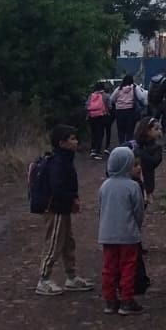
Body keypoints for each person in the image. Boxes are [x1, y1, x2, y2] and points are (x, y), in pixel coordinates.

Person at [35, 125, 94, 297]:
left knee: (68, 242)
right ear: (62, 143)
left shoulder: (65, 159)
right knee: (54, 243)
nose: (76, 141)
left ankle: (71, 276)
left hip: (64, 208)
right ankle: (43, 279)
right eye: (72, 139)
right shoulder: (57, 162)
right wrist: (72, 198)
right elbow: (58, 188)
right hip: (56, 209)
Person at [98, 146, 145, 315]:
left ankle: (110, 300)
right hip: (128, 234)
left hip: (107, 234)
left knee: (109, 267)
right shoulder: (132, 186)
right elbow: (138, 211)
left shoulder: (104, 186)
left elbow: (101, 209)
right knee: (128, 267)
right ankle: (127, 300)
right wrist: (137, 227)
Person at [131, 117, 163, 199]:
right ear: (147, 130)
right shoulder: (134, 144)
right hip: (133, 180)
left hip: (147, 181)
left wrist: (141, 153)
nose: (159, 131)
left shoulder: (156, 148)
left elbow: (155, 162)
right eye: (156, 129)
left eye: (160, 129)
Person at [111, 74, 143, 145]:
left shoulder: (118, 89)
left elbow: (112, 99)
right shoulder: (135, 88)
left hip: (119, 111)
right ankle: (129, 145)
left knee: (121, 130)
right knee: (130, 131)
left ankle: (121, 144)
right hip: (130, 111)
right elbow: (141, 98)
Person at [85, 84, 110, 161]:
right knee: (100, 134)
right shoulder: (106, 96)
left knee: (93, 133)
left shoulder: (91, 95)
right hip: (101, 117)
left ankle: (92, 149)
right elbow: (110, 106)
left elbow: (86, 106)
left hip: (92, 117)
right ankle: (97, 151)